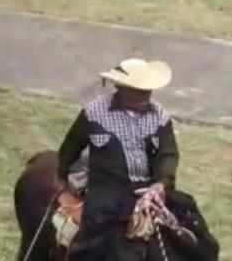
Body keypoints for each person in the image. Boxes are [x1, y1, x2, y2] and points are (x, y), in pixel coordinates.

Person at [57, 59, 179, 261]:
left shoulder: (160, 117)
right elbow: (69, 151)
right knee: (95, 246)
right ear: (120, 88)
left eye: (147, 91)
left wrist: (161, 183)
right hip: (108, 192)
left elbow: (168, 154)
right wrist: (63, 182)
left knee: (191, 230)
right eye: (138, 91)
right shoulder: (94, 113)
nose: (145, 97)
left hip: (150, 190)